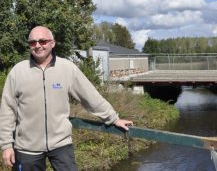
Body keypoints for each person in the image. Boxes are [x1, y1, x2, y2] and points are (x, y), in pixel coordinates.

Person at [0, 26, 133, 171]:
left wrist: (113, 119)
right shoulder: (18, 71)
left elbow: (90, 97)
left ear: (53, 43)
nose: (37, 45)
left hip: (61, 144)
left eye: (42, 41)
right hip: (27, 148)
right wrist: (6, 145)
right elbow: (7, 110)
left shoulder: (67, 68)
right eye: (32, 42)